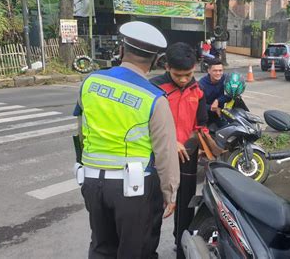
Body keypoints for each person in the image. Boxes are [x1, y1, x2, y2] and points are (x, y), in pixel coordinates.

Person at [73, 21, 179, 258]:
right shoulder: (154, 98)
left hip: (92, 182)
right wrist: (170, 193)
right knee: (136, 251)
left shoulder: (90, 83)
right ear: (155, 60)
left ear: (122, 50)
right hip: (134, 188)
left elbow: (80, 131)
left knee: (101, 247)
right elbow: (166, 152)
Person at [150, 42, 208, 259]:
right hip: (159, 157)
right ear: (167, 68)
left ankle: (181, 245)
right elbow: (145, 124)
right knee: (156, 205)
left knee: (185, 205)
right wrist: (170, 141)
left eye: (188, 74)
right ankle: (149, 249)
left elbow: (200, 124)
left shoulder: (198, 90)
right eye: (178, 75)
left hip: (187, 156)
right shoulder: (154, 88)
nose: (184, 79)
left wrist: (196, 144)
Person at [199, 58, 232, 127]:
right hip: (205, 116)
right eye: (215, 71)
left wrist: (218, 100)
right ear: (208, 71)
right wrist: (212, 107)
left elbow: (230, 95)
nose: (218, 73)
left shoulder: (226, 79)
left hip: (221, 114)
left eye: (220, 70)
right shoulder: (201, 84)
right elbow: (199, 105)